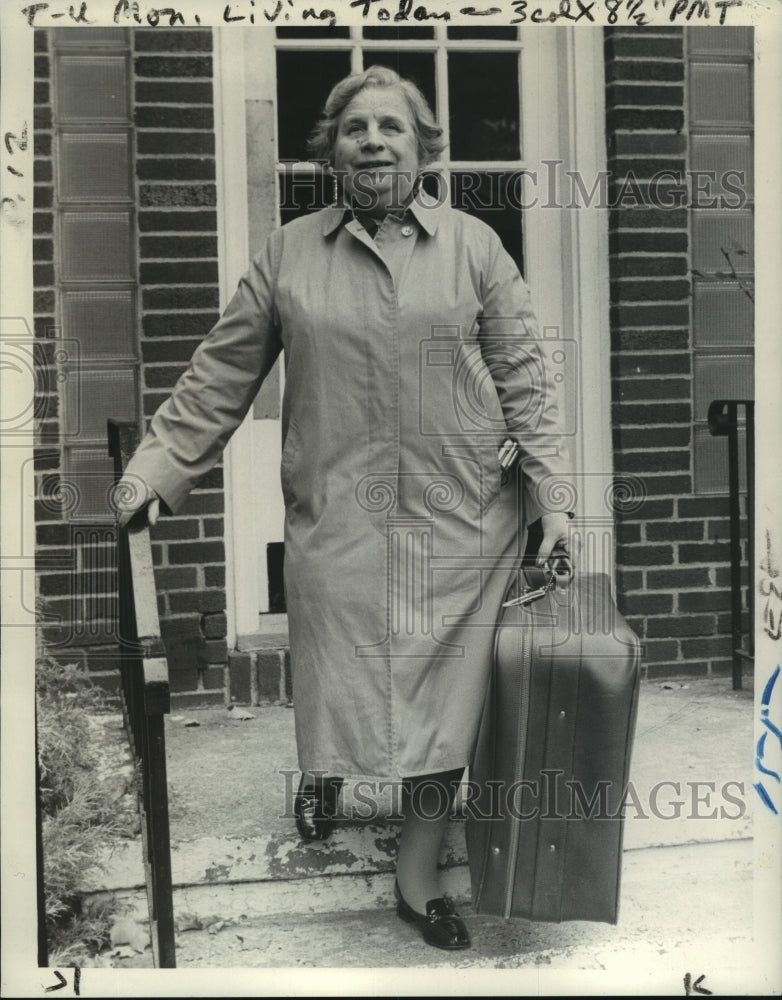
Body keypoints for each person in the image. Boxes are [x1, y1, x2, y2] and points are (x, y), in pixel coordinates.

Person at [116, 65, 576, 951]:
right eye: (356, 128)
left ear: (422, 147)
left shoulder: (476, 246)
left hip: (462, 517)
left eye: (392, 128)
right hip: (337, 516)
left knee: (451, 701)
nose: (374, 141)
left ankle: (419, 876)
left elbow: (526, 378)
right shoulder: (288, 254)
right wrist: (154, 471)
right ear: (331, 150)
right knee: (342, 677)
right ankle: (325, 776)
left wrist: (554, 495)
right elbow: (221, 375)